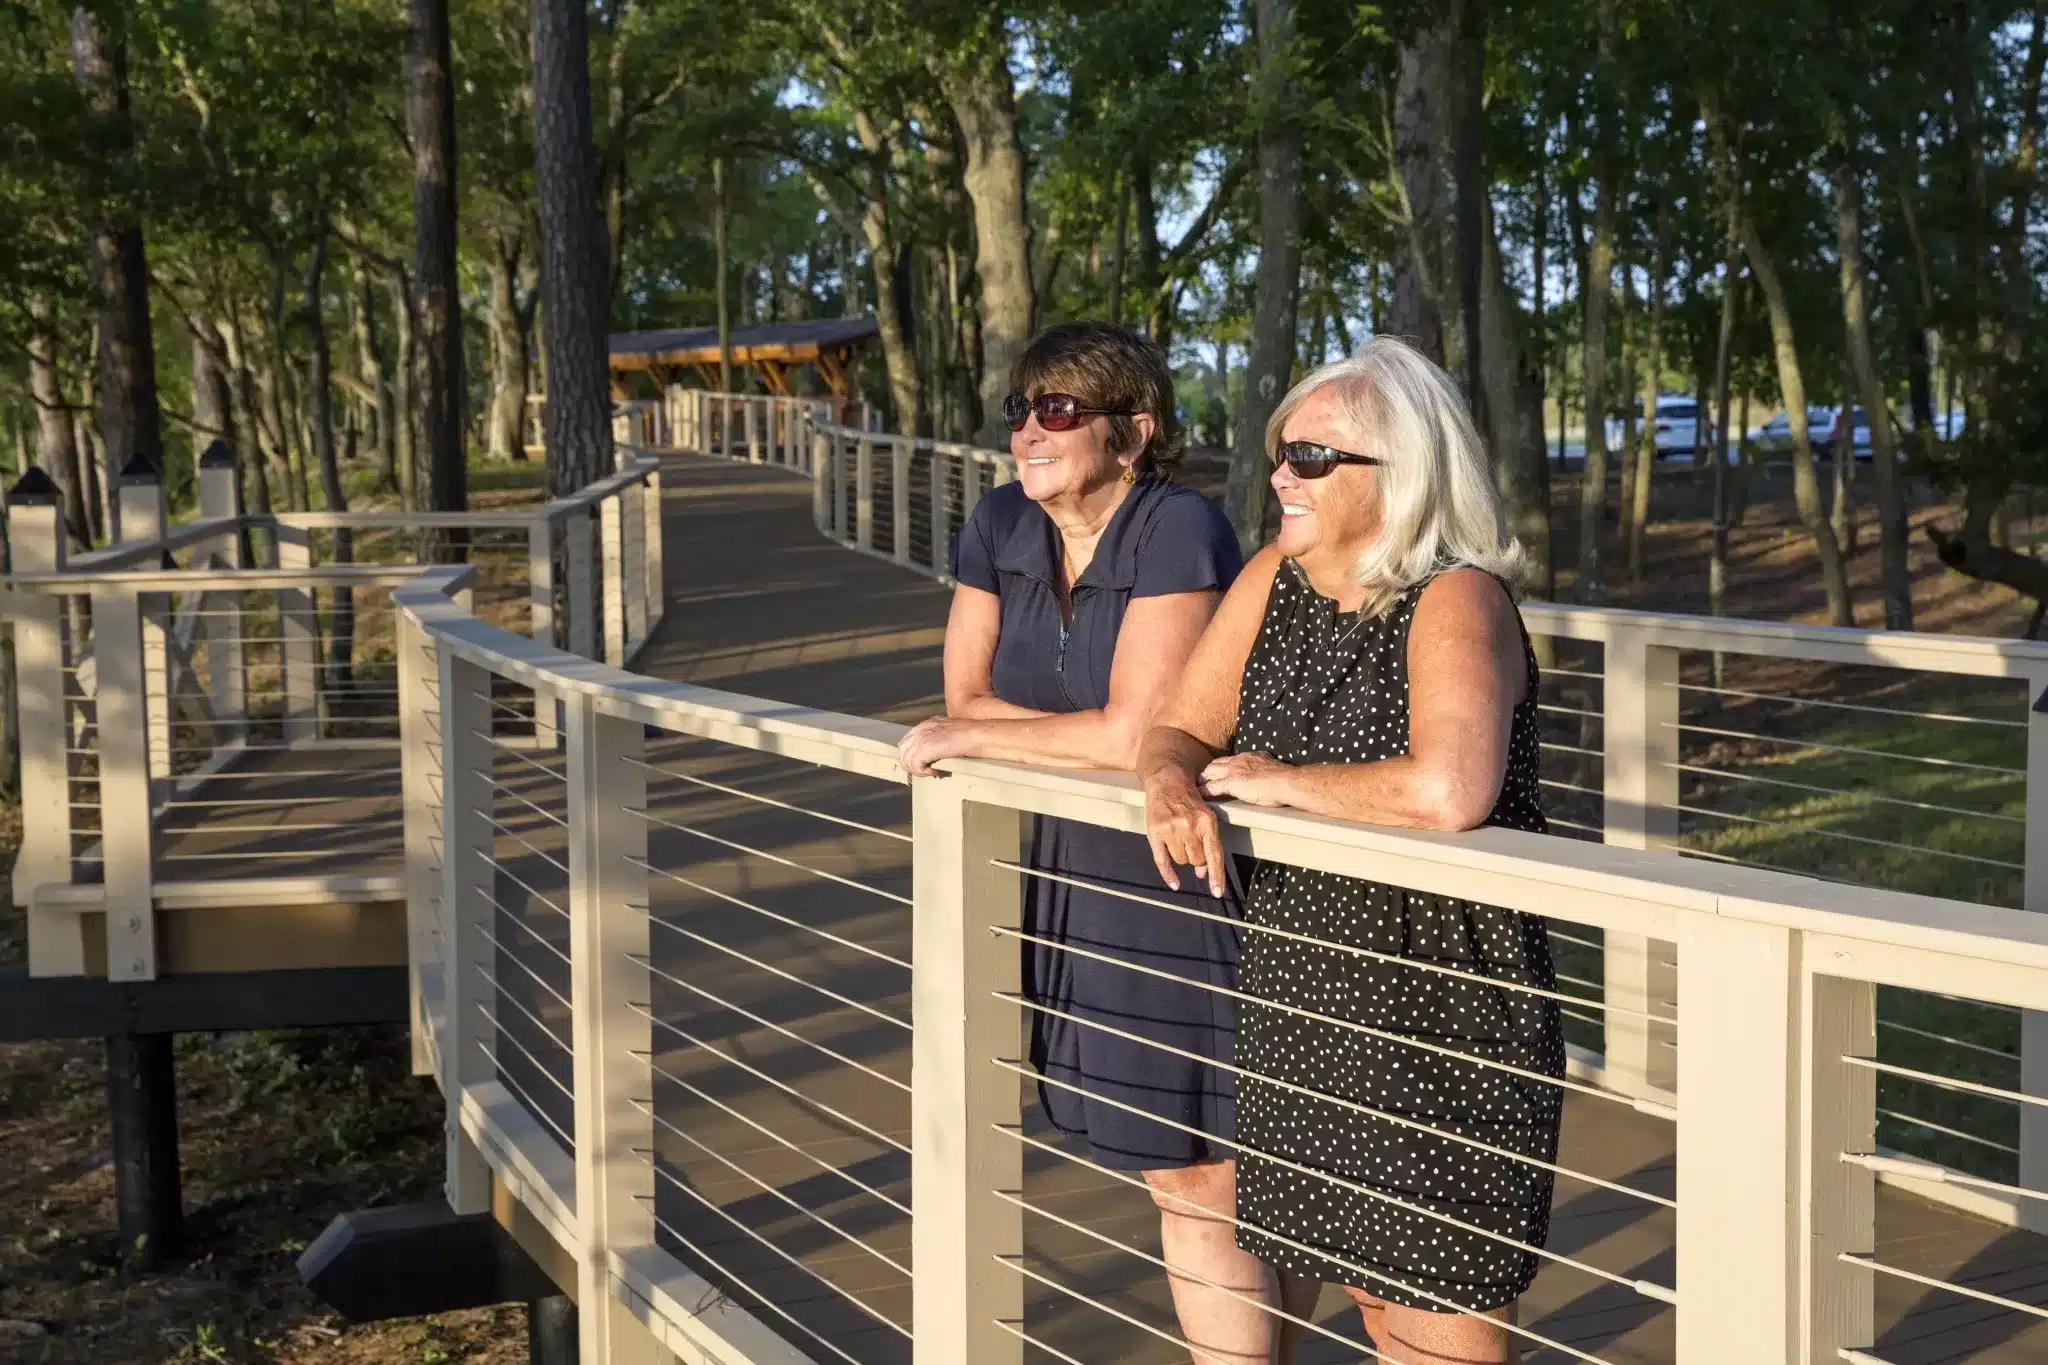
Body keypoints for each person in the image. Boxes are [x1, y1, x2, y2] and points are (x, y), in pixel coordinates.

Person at [1138, 336, 1564, 1365]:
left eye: (1314, 459)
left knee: (1432, 1320)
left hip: (1437, 1003)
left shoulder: (1454, 597)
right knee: (1370, 1305)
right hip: (1302, 991)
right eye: (1281, 452)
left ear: (1405, 473)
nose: (1280, 475)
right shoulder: (1269, 582)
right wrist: (1164, 781)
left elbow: (1446, 789)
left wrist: (1280, 783)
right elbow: (1176, 724)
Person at [898, 321, 1306, 1365]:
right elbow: (961, 698)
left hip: (1182, 868)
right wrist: (1016, 737)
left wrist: (995, 738)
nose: (1028, 431)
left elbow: (1138, 734)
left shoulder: (1178, 529)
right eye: (1020, 411)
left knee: (1202, 1170)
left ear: (1132, 433)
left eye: (1059, 410)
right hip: (1072, 868)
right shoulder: (998, 525)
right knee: (1189, 1172)